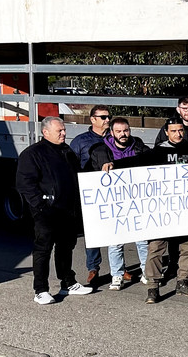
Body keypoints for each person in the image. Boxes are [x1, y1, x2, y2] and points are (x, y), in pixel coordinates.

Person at [112, 116, 188, 304]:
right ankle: (153, 287)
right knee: (156, 248)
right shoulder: (157, 152)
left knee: (187, 247)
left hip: (186, 210)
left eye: (180, 130)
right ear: (166, 132)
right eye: (173, 131)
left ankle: (183, 281)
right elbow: (136, 162)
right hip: (161, 212)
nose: (178, 133)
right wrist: (114, 164)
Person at [16, 116, 93, 305]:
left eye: (64, 130)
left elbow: (76, 176)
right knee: (43, 249)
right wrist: (41, 207)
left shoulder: (67, 151)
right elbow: (25, 184)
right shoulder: (33, 154)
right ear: (46, 132)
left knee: (66, 247)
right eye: (60, 131)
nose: (64, 133)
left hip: (68, 210)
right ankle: (40, 290)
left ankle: (68, 282)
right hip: (46, 212)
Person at [88, 117, 150, 290]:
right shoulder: (101, 150)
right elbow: (94, 170)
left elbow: (151, 162)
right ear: (112, 133)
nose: (123, 134)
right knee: (115, 241)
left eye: (126, 130)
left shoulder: (139, 148)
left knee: (142, 240)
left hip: (137, 201)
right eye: (119, 131)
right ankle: (117, 275)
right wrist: (104, 166)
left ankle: (147, 272)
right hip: (115, 203)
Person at [70, 105, 111, 285]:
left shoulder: (115, 137)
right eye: (103, 117)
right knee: (93, 232)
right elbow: (72, 166)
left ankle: (120, 268)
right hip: (92, 194)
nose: (107, 120)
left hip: (113, 192)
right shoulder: (80, 141)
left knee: (117, 231)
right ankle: (93, 268)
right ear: (93, 119)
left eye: (109, 117)